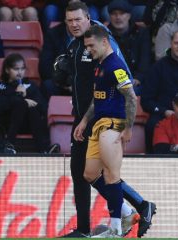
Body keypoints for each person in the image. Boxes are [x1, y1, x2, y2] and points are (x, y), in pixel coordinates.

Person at [64, 2, 156, 238]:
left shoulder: (102, 41)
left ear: (88, 18)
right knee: (86, 172)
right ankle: (131, 209)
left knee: (101, 172)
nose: (73, 24)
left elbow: (122, 77)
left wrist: (125, 125)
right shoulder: (78, 43)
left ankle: (119, 219)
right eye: (69, 21)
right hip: (86, 115)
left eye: (78, 19)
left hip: (103, 116)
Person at [72, 24, 138, 237]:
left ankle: (116, 229)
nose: (88, 50)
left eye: (91, 46)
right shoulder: (100, 65)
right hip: (98, 124)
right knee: (90, 174)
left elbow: (131, 97)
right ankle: (127, 211)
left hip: (112, 124)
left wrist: (128, 127)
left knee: (111, 175)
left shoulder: (116, 66)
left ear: (104, 42)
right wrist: (84, 121)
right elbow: (97, 97)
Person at [0, 53, 60, 154]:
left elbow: (43, 107)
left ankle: (44, 150)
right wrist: (19, 98)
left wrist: (25, 96)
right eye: (16, 69)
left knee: (32, 110)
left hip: (28, 124)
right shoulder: (0, 86)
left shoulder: (30, 86)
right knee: (20, 104)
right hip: (7, 124)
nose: (20, 72)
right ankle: (9, 144)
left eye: (22, 69)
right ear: (7, 70)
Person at [107, 0, 152, 95]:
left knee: (133, 92)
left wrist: (138, 78)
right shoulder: (105, 35)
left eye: (122, 13)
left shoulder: (141, 32)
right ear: (110, 17)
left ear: (129, 15)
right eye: (114, 14)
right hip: (111, 80)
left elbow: (145, 59)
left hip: (135, 81)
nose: (118, 17)